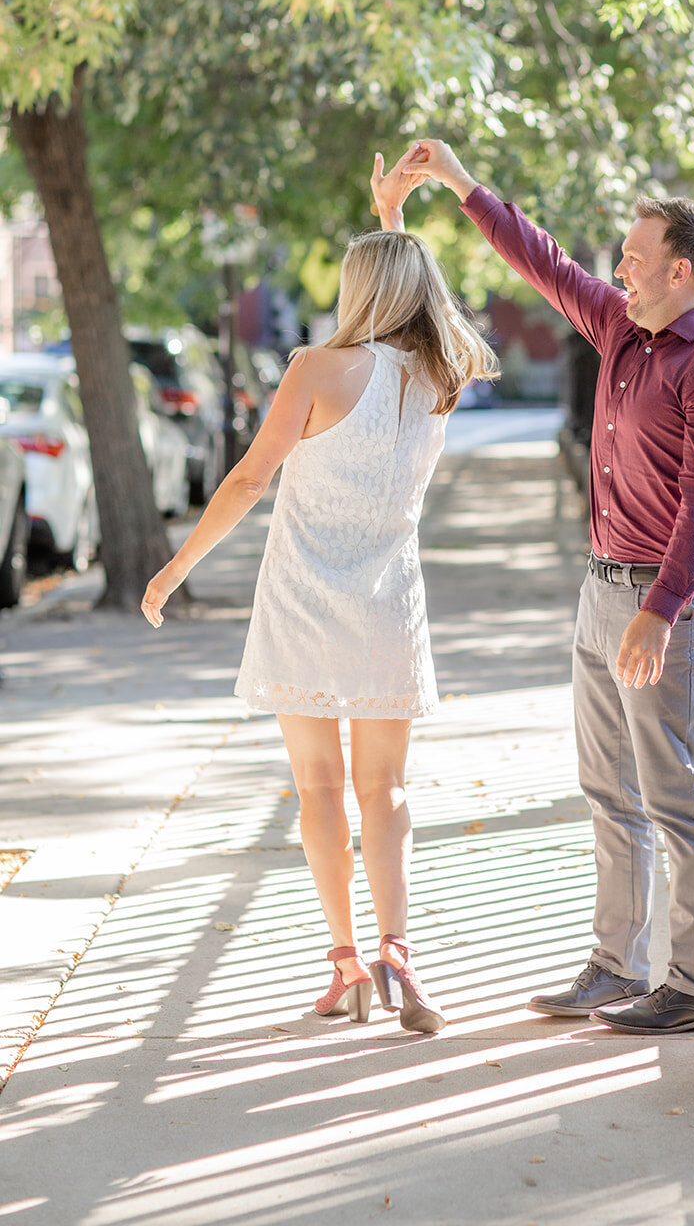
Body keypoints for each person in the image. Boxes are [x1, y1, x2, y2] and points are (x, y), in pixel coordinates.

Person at [401, 138, 694, 1034]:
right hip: (601, 590)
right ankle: (617, 962)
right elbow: (543, 261)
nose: (618, 270)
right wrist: (458, 183)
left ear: (681, 271)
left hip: (663, 607)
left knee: (677, 794)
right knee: (606, 787)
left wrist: (655, 614)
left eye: (635, 259)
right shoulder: (620, 327)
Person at [141, 152, 497, 1034]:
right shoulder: (439, 378)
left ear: (357, 291)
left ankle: (346, 967)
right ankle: (397, 950)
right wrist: (393, 223)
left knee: (317, 790)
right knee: (386, 791)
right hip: (388, 606)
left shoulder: (313, 368)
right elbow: (406, 315)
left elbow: (247, 482)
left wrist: (173, 569)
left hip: (302, 602)